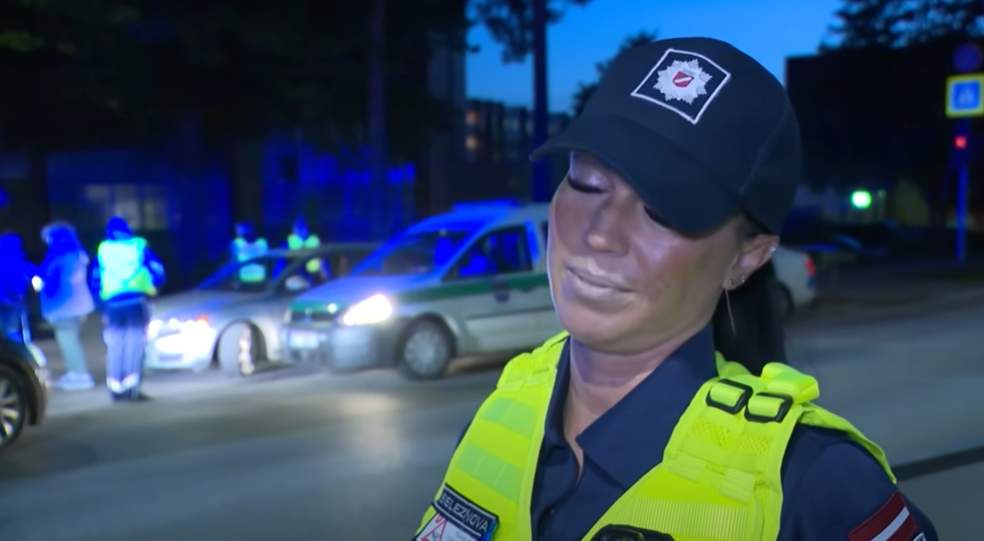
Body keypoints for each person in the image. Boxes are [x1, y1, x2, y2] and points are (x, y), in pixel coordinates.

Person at [418, 38, 936, 541]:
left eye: (662, 211)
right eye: (586, 182)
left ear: (747, 257)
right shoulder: (503, 413)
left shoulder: (815, 486)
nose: (600, 232)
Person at [92, 216, 165, 402]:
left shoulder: (103, 250)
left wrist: (101, 305)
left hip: (113, 304)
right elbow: (158, 270)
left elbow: (95, 279)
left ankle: (115, 389)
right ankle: (132, 389)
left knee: (115, 345)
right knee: (135, 344)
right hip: (136, 301)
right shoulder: (139, 247)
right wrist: (154, 288)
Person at [39, 222, 97, 391]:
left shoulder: (60, 258)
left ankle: (79, 375)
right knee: (70, 340)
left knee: (68, 342)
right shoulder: (77, 255)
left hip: (64, 307)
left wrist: (42, 282)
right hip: (77, 305)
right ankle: (75, 372)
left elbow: (53, 283)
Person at [0, 232, 36, 343]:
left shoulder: (18, 260)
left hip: (14, 299)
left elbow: (32, 272)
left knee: (13, 329)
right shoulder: (15, 260)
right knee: (12, 330)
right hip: (10, 299)